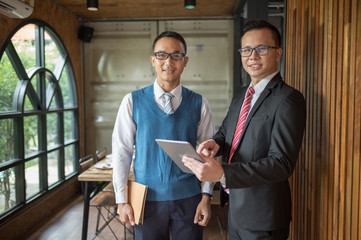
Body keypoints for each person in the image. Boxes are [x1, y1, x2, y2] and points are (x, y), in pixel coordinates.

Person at [182, 19, 306, 240]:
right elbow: (226, 134)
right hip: (236, 208)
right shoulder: (242, 95)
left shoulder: (288, 99)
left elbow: (282, 164)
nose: (253, 56)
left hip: (264, 216)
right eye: (247, 50)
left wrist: (223, 173)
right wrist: (214, 144)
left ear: (278, 53)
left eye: (262, 49)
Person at [112, 31, 215, 240]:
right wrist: (122, 201)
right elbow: (121, 152)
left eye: (176, 55)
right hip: (145, 199)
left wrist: (206, 197)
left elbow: (209, 156)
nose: (169, 61)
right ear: (153, 60)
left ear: (185, 61)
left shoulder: (200, 103)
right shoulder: (132, 101)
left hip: (189, 200)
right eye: (161, 55)